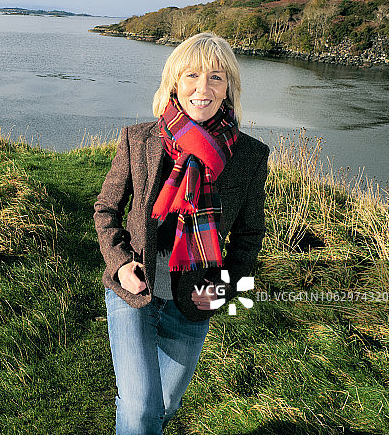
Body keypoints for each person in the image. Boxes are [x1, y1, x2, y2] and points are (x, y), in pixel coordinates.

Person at [94, 32, 269, 434]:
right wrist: (120, 264)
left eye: (216, 78)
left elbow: (249, 232)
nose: (202, 89)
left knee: (164, 406)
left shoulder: (250, 156)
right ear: (174, 81)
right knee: (139, 408)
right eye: (191, 75)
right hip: (133, 291)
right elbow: (106, 209)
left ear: (229, 88)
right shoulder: (139, 140)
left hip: (194, 298)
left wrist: (226, 286)